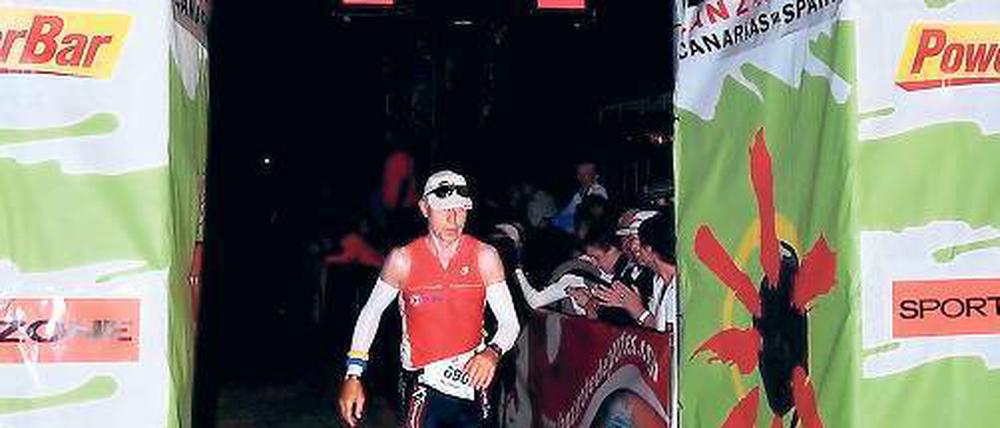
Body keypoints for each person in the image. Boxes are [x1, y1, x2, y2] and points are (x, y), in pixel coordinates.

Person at [338, 170, 521, 428]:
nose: (453, 218)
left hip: (473, 381)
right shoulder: (403, 260)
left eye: (460, 209)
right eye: (444, 209)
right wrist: (354, 374)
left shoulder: (485, 256)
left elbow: (510, 323)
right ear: (425, 208)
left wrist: (492, 352)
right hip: (421, 383)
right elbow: (371, 313)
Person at [593, 211, 677, 331]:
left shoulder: (679, 285)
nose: (632, 247)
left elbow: (671, 338)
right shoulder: (658, 281)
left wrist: (638, 311)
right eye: (628, 239)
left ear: (649, 247)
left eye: (635, 239)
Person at [551, 161, 609, 234]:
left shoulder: (599, 191)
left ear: (595, 176)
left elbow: (594, 219)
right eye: (579, 174)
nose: (580, 178)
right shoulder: (579, 192)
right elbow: (566, 213)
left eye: (586, 174)